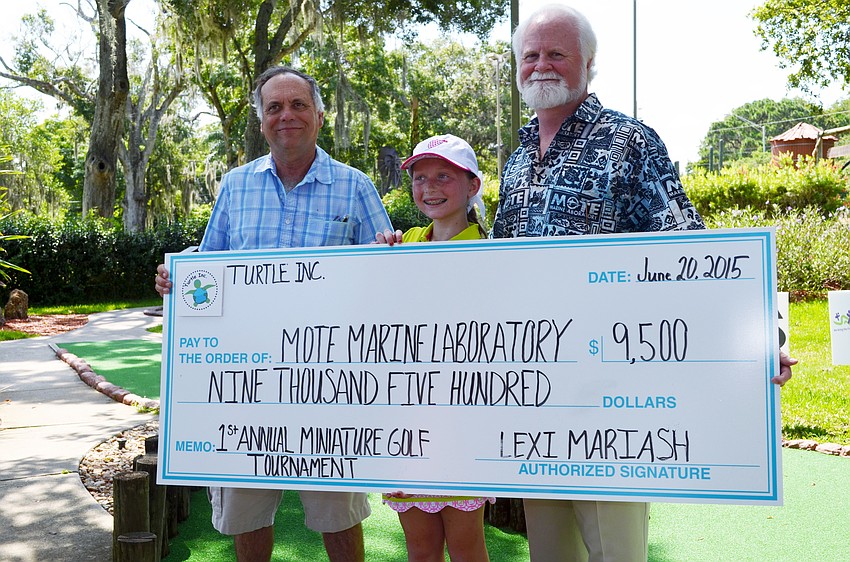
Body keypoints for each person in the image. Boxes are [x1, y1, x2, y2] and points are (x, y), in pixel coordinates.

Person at [492, 5, 795, 561]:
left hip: (614, 399)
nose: (541, 66)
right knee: (549, 553)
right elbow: (497, 267)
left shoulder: (629, 142)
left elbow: (690, 249)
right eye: (530, 55)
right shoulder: (516, 158)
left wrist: (762, 336)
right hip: (536, 396)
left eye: (556, 53)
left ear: (588, 63)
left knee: (616, 551)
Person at [155, 66, 393, 562]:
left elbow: (388, 283)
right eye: (274, 107)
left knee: (340, 513)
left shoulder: (355, 187)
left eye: (298, 105)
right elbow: (207, 274)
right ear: (262, 121)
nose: (286, 116)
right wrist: (176, 281)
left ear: (320, 116)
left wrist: (390, 259)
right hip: (247, 387)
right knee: (247, 512)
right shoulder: (235, 186)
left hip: (332, 386)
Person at [375, 133, 493, 562]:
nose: (430, 187)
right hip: (405, 422)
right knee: (419, 546)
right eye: (420, 177)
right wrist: (379, 268)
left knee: (466, 546)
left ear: (472, 185)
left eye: (444, 176)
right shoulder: (401, 247)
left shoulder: (494, 253)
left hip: (462, 423)